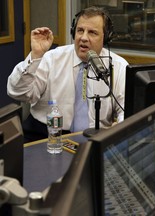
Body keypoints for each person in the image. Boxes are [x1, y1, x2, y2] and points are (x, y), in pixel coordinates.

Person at [7, 6, 128, 142]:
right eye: (80, 30)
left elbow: (126, 110)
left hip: (97, 137)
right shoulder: (51, 58)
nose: (83, 38)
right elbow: (17, 92)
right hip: (44, 134)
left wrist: (121, 129)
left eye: (92, 33)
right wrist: (35, 56)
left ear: (106, 38)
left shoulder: (118, 66)